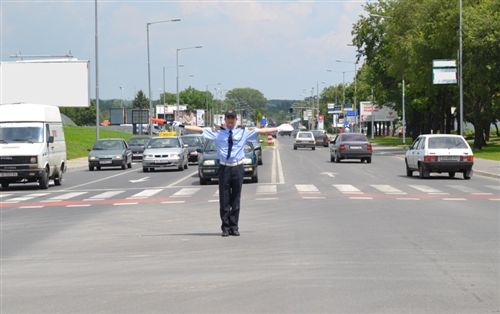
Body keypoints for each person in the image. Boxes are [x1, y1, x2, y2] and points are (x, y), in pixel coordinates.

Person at [173, 111, 286, 237]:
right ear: (225, 120)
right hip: (224, 168)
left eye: (233, 119)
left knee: (236, 199)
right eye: (228, 118)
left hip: (237, 167)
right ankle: (225, 227)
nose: (230, 121)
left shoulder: (243, 132)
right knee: (224, 199)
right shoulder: (217, 132)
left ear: (236, 120)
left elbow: (261, 131)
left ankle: (234, 226)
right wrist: (181, 126)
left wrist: (278, 128)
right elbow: (199, 130)